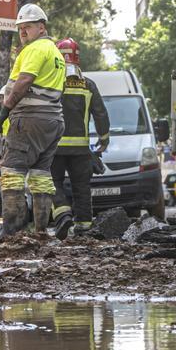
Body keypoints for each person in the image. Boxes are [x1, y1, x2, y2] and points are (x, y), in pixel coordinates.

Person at [0, 3, 66, 236]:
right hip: (53, 121)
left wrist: (5, 110)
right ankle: (41, 231)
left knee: (12, 172)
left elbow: (24, 81)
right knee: (41, 175)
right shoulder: (56, 54)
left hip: (28, 120)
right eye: (20, 28)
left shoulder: (35, 50)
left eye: (28, 27)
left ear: (42, 28)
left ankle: (12, 232)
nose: (23, 32)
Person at [49, 38, 110, 238]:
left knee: (53, 182)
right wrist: (104, 139)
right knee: (81, 186)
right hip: (80, 149)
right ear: (78, 58)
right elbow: (100, 114)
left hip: (54, 147)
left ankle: (62, 213)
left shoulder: (51, 82)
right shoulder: (88, 85)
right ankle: (84, 226)